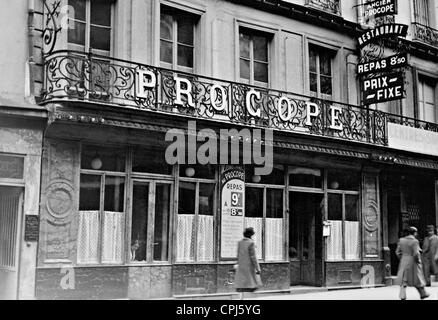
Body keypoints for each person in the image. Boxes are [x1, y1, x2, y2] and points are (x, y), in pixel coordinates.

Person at [396, 226, 430, 300]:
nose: (416, 234)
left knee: (404, 279)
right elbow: (416, 253)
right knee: (417, 278)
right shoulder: (415, 241)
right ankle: (423, 293)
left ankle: (402, 295)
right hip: (413, 261)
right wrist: (418, 261)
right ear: (414, 233)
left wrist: (402, 258)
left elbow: (397, 252)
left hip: (404, 260)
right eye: (416, 232)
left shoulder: (401, 240)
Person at [235, 227, 261, 300]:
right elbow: (253, 257)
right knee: (251, 284)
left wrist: (237, 263)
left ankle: (241, 299)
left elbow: (238, 255)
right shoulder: (251, 243)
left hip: (241, 266)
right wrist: (258, 268)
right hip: (249, 267)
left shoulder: (240, 242)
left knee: (241, 285)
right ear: (251, 235)